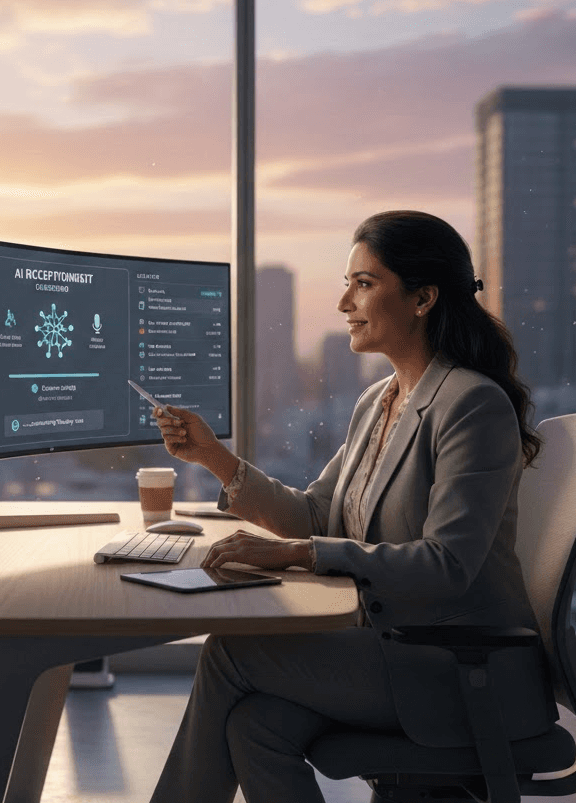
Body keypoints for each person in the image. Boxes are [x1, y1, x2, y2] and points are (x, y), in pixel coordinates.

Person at [148, 210, 553, 803]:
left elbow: (447, 565)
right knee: (255, 724)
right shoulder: (377, 401)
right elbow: (313, 514)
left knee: (230, 651)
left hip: (464, 669)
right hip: (399, 652)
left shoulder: (472, 404)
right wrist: (216, 458)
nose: (343, 303)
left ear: (423, 298)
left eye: (363, 283)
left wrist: (298, 555)